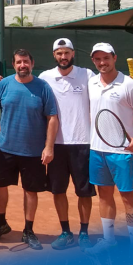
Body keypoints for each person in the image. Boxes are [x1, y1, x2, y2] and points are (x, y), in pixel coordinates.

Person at [0, 49, 58, 250]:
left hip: (33, 151)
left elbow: (52, 117)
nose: (22, 65)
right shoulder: (4, 84)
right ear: (14, 65)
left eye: (26, 61)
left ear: (32, 63)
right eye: (18, 62)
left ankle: (28, 230)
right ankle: (1, 223)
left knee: (31, 191)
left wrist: (49, 147)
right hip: (6, 148)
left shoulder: (43, 87)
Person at [38, 38, 96, 251]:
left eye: (67, 53)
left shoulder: (87, 75)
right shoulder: (45, 78)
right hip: (56, 145)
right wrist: (0, 82)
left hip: (83, 143)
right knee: (58, 190)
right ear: (54, 55)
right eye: (59, 53)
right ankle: (66, 232)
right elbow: (26, 86)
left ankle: (84, 232)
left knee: (84, 192)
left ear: (73, 54)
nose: (64, 57)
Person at [86, 42, 133, 254]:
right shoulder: (91, 83)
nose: (102, 62)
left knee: (128, 198)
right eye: (97, 59)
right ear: (93, 60)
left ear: (115, 58)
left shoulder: (129, 85)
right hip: (97, 150)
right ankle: (108, 239)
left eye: (106, 58)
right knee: (104, 195)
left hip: (123, 153)